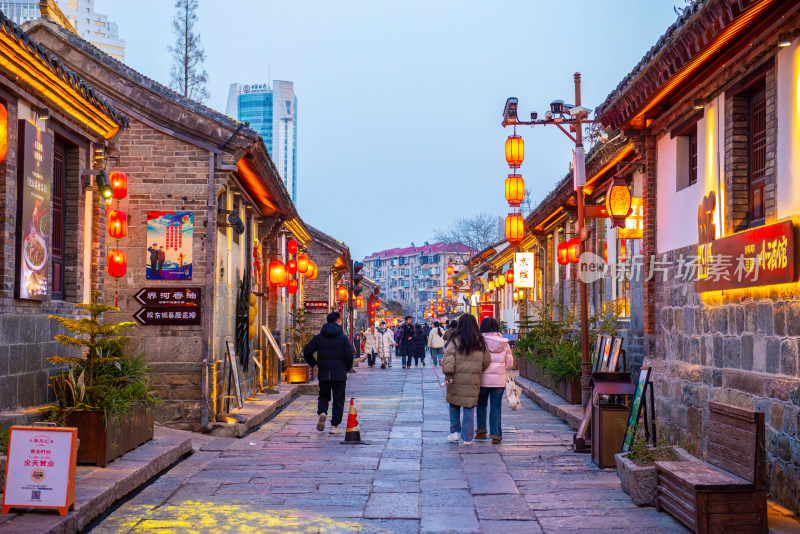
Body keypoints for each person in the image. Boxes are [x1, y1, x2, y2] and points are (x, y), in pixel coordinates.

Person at [441, 314, 491, 445]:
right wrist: (477, 370)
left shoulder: (455, 339)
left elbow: (448, 357)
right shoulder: (480, 340)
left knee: (454, 403)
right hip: (473, 378)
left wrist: (448, 374)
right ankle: (467, 438)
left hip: (456, 377)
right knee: (469, 406)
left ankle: (455, 432)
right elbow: (486, 360)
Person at [303, 312, 355, 435]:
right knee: (338, 399)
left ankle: (322, 412)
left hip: (324, 372)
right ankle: (334, 426)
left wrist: (314, 364)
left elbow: (307, 351)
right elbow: (349, 355)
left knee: (323, 395)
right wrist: (346, 368)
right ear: (338, 322)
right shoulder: (343, 338)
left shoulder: (319, 337)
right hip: (339, 374)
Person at [476, 317, 514, 444]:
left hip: (481, 380)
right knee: (496, 407)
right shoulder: (504, 342)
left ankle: (481, 431)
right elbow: (509, 364)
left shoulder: (478, 342)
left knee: (481, 405)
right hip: (499, 381)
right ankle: (496, 435)